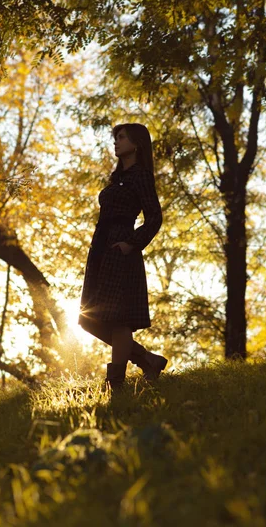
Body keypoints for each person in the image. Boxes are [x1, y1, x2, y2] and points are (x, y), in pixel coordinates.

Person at [78, 123, 168, 392]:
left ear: (136, 143)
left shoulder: (140, 175)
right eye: (115, 138)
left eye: (122, 137)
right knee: (89, 320)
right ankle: (148, 360)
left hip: (121, 251)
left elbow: (154, 216)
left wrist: (131, 244)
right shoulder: (118, 178)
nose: (116, 142)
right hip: (102, 252)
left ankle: (115, 383)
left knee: (118, 319)